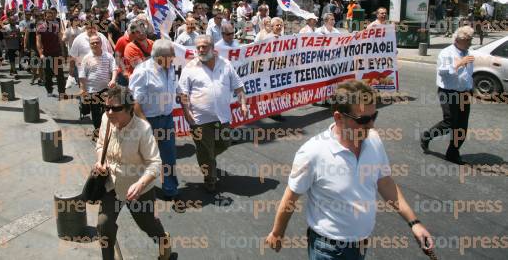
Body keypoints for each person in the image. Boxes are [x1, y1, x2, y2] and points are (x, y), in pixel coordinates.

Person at [265, 80, 434, 260]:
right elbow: (291, 196)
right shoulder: (313, 152)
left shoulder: (373, 140)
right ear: (339, 118)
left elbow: (384, 181)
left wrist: (414, 222)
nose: (371, 126)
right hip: (328, 249)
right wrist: (277, 233)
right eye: (363, 120)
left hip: (361, 244)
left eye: (373, 116)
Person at [94, 86, 171, 260]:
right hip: (111, 185)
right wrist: (100, 161)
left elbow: (155, 163)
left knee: (149, 226)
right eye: (107, 108)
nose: (110, 112)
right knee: (104, 225)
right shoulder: (106, 119)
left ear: (129, 109)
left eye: (116, 108)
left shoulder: (142, 129)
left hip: (138, 190)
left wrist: (140, 184)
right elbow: (100, 145)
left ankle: (163, 240)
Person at [178, 35, 247, 193]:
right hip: (199, 120)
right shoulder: (190, 68)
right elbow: (182, 93)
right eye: (199, 47)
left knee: (225, 142)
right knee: (206, 151)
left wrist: (243, 103)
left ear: (213, 48)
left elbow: (238, 87)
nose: (201, 50)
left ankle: (207, 157)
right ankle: (210, 179)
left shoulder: (226, 64)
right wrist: (187, 113)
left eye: (204, 46)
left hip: (222, 118)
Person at [129, 39, 181, 203]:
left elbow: (175, 88)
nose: (173, 59)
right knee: (144, 158)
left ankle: (170, 189)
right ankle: (137, 189)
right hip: (147, 120)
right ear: (159, 56)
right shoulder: (143, 71)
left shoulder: (170, 68)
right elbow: (135, 103)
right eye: (170, 56)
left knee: (169, 155)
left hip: (166, 119)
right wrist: (146, 126)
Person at [421, 26, 475, 164]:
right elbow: (442, 71)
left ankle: (453, 153)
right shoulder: (446, 53)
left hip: (464, 93)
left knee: (462, 126)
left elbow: (468, 74)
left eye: (471, 39)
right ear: (458, 40)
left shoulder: (468, 52)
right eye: (468, 40)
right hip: (448, 92)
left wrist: (470, 88)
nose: (470, 42)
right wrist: (459, 64)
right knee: (450, 122)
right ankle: (427, 136)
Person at [79, 34, 118, 139]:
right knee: (96, 113)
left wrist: (113, 79)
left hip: (106, 89)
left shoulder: (108, 56)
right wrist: (83, 90)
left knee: (108, 111)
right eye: (92, 43)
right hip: (92, 90)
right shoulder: (86, 58)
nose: (95, 44)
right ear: (90, 45)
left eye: (97, 42)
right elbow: (82, 76)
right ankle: (98, 133)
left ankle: (107, 131)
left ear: (101, 43)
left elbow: (114, 69)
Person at [36, 10, 66, 99]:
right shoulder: (40, 27)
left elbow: (60, 39)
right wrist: (41, 54)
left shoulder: (56, 26)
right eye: (48, 16)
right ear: (45, 17)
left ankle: (62, 92)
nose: (50, 18)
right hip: (46, 54)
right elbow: (38, 42)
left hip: (56, 53)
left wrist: (63, 51)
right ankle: (49, 90)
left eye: (51, 16)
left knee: (59, 74)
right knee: (48, 74)